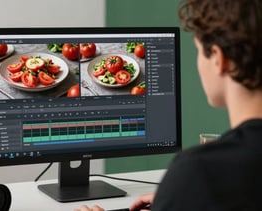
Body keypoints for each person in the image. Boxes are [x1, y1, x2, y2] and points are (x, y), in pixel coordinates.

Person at [74, 0, 262, 210]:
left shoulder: (200, 171)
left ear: (219, 59)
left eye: (198, 51)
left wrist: (183, 192)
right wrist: (179, 199)